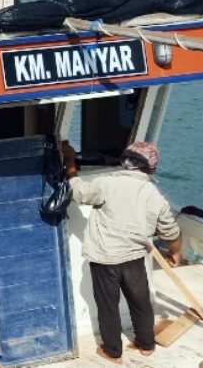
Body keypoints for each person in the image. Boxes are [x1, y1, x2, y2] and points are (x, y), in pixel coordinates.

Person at [62, 140, 181, 364]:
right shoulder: (154, 195)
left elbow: (79, 194)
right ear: (151, 168)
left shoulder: (106, 183)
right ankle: (146, 345)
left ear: (125, 162)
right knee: (141, 302)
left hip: (104, 258)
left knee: (108, 306)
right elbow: (170, 231)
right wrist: (175, 252)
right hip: (134, 257)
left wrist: (69, 162)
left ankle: (112, 352)